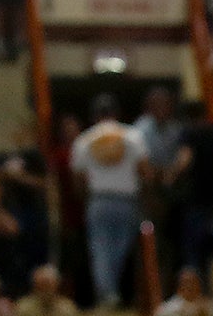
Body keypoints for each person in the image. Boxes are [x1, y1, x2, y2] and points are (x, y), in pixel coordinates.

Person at [70, 95, 144, 308]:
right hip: (126, 200)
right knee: (121, 248)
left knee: (100, 248)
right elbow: (144, 170)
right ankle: (110, 290)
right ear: (117, 113)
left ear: (94, 116)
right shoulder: (132, 136)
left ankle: (107, 292)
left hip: (99, 199)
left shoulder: (85, 139)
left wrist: (85, 198)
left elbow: (78, 178)